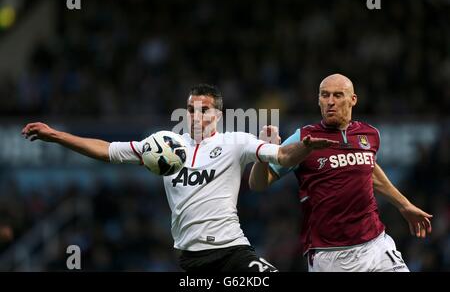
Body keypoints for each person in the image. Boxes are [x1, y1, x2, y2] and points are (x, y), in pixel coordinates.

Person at [22, 84, 336, 272]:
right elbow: (107, 150)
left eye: (203, 110)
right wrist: (56, 135)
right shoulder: (164, 145)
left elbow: (281, 157)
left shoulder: (235, 142)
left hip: (232, 250)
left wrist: (304, 147)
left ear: (217, 116)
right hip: (189, 257)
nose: (195, 116)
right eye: (190, 109)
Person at [249, 74, 433, 272]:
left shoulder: (369, 134)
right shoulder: (303, 138)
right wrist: (263, 153)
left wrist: (404, 205)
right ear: (318, 100)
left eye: (337, 95)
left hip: (376, 245)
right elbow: (257, 183)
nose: (330, 102)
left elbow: (368, 170)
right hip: (330, 256)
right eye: (325, 95)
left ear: (353, 99)